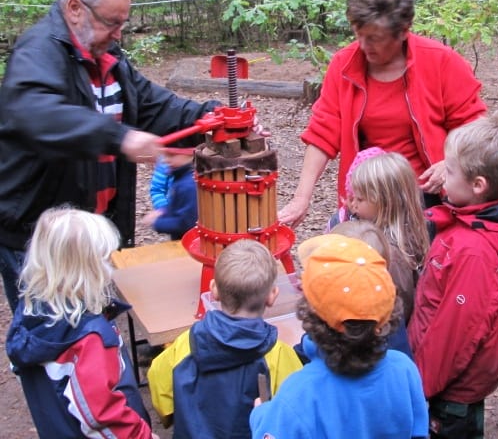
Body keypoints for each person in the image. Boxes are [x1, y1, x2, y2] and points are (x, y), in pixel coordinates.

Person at [0, 0, 226, 313]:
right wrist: (119, 137)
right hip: (41, 240)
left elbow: (153, 104)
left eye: (123, 23)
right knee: (51, 335)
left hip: (93, 232)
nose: (119, 33)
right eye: (111, 22)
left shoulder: (107, 57)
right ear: (75, 8)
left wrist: (211, 117)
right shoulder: (38, 50)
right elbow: (35, 113)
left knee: (92, 325)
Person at [278, 0, 486, 228]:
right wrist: (301, 199)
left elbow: (476, 131)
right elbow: (323, 133)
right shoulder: (344, 64)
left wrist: (451, 164)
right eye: (358, 34)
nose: (363, 45)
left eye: (375, 38)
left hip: (428, 197)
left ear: (403, 31)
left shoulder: (442, 62)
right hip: (367, 199)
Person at [407, 112, 498, 438]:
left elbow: (456, 335)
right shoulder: (470, 220)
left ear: (478, 185)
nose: (442, 176)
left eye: (449, 170)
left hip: (447, 391)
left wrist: (418, 387)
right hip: (441, 377)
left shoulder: (474, 252)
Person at [250, 234, 429, 439]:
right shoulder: (404, 370)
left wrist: (261, 415)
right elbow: (418, 432)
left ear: (312, 315)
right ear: (386, 315)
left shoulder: (298, 394)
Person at [5, 206, 159, 439]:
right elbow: (100, 414)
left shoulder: (30, 314)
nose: (110, 266)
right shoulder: (91, 337)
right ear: (88, 270)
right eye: (104, 260)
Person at [147, 239, 302, 438]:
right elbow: (294, 415)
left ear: (213, 290)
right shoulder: (279, 355)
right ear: (272, 296)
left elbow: (159, 385)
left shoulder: (187, 343)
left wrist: (172, 415)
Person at [346, 150, 430, 322]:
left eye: (359, 199)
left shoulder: (391, 256)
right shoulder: (401, 232)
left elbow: (399, 309)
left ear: (383, 203)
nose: (353, 205)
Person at [142, 148, 197, 240]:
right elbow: (178, 205)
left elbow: (186, 223)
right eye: (165, 155)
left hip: (187, 241)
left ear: (188, 155)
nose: (165, 160)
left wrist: (156, 223)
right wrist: (163, 211)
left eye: (171, 155)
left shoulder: (188, 185)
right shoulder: (180, 176)